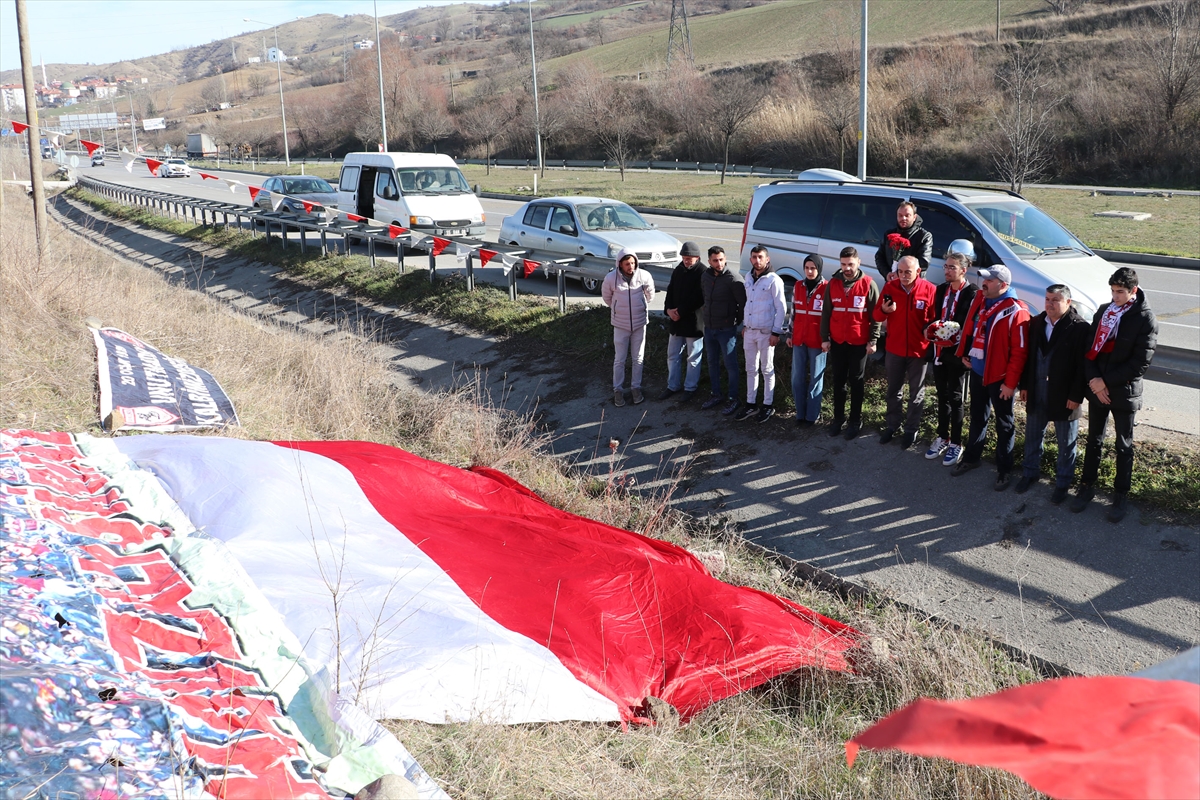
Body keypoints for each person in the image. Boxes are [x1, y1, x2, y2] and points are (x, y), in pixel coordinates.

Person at [1072, 267, 1158, 522]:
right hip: (1098, 388)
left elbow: (1140, 362)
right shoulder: (1104, 311)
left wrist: (1104, 381)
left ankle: (1120, 494)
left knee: (1124, 445)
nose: (1115, 296)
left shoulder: (1145, 317)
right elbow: (1089, 349)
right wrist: (1094, 381)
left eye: (1120, 292)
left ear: (1133, 291)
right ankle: (1087, 486)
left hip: (1123, 390)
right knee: (1094, 440)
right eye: (1112, 291)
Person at [952, 265, 1030, 490]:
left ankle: (1004, 470)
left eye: (989, 280)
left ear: (1003, 285)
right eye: (984, 278)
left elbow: (1019, 353)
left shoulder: (1017, 311)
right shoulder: (981, 300)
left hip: (1000, 379)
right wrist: (967, 353)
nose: (983, 283)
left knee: (1004, 424)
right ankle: (972, 458)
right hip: (978, 372)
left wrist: (1010, 384)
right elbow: (972, 330)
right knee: (977, 417)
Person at [1016, 284, 1090, 504]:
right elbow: (1029, 357)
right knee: (1032, 437)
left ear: (1068, 302)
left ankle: (1063, 483)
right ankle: (1030, 473)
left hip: (1065, 395)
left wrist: (1076, 396)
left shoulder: (1079, 328)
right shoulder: (1037, 322)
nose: (1049, 304)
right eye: (1047, 299)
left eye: (1055, 300)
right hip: (1037, 390)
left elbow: (1081, 367)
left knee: (1066, 442)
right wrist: (1025, 385)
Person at [872, 255, 938, 449]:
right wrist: (884, 310)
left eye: (907, 272)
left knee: (916, 392)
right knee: (894, 390)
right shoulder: (890, 288)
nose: (903, 275)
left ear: (918, 271)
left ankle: (911, 429)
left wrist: (930, 331)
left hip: (919, 351)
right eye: (900, 272)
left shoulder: (930, 289)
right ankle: (892, 425)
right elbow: (875, 315)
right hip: (895, 349)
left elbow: (935, 320)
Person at [923, 248, 978, 466]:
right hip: (939, 351)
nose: (947, 270)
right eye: (946, 266)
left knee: (955, 398)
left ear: (963, 270)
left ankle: (956, 442)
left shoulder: (971, 292)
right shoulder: (941, 289)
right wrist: (931, 330)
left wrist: (964, 351)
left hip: (957, 353)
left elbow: (970, 325)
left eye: (952, 267)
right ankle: (942, 437)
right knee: (942, 396)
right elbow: (935, 317)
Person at [820, 246, 881, 440]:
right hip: (838, 341)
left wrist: (873, 340)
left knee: (856, 381)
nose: (847, 268)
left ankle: (855, 421)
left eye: (851, 264)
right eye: (844, 264)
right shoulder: (833, 283)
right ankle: (838, 419)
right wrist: (824, 338)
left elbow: (876, 316)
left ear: (859, 263)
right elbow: (826, 313)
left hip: (858, 342)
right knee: (838, 381)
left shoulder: (868, 284)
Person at [735, 246, 788, 423]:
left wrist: (776, 332)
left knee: (767, 369)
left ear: (767, 259)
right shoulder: (749, 277)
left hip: (766, 333)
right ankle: (751, 404)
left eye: (760, 257)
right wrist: (745, 324)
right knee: (750, 369)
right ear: (750, 259)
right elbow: (747, 303)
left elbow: (781, 308)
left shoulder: (774, 280)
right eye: (754, 257)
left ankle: (767, 405)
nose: (757, 260)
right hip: (749, 331)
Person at [602, 248, 655, 407]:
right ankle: (618, 390)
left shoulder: (644, 276)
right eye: (627, 264)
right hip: (620, 325)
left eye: (633, 263)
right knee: (620, 359)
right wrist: (619, 310)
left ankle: (635, 388)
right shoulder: (611, 278)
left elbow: (650, 296)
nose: (630, 266)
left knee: (638, 358)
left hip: (640, 324)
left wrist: (640, 308)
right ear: (620, 264)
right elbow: (607, 298)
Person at [700, 245, 746, 416]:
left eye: (721, 259)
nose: (719, 263)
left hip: (726, 329)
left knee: (730, 365)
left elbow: (743, 304)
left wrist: (735, 321)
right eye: (715, 260)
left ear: (725, 258)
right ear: (709, 261)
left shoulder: (733, 278)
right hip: (709, 327)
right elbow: (705, 296)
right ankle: (716, 394)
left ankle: (733, 398)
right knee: (712, 363)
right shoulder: (705, 276)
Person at [660, 241, 705, 401]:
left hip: (693, 322)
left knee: (693, 356)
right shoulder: (679, 269)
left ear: (697, 257)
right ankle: (673, 386)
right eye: (685, 258)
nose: (686, 261)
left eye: (689, 258)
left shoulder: (702, 272)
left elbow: (698, 297)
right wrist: (668, 310)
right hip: (676, 321)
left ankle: (690, 388)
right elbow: (670, 290)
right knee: (673, 355)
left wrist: (680, 311)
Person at [790, 254, 828, 427]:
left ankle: (812, 416)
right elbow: (793, 313)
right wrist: (790, 334)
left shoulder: (827, 288)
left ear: (819, 268)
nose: (810, 271)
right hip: (799, 339)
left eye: (813, 268)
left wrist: (827, 339)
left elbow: (829, 317)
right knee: (797, 378)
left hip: (818, 341)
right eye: (807, 268)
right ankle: (800, 413)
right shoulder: (798, 286)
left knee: (815, 379)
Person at [874, 200, 933, 283]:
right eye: (900, 215)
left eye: (907, 215)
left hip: (913, 285)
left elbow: (923, 262)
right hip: (892, 283)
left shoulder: (924, 236)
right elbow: (879, 257)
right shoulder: (889, 234)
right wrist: (887, 274)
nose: (903, 218)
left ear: (914, 217)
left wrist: (899, 274)